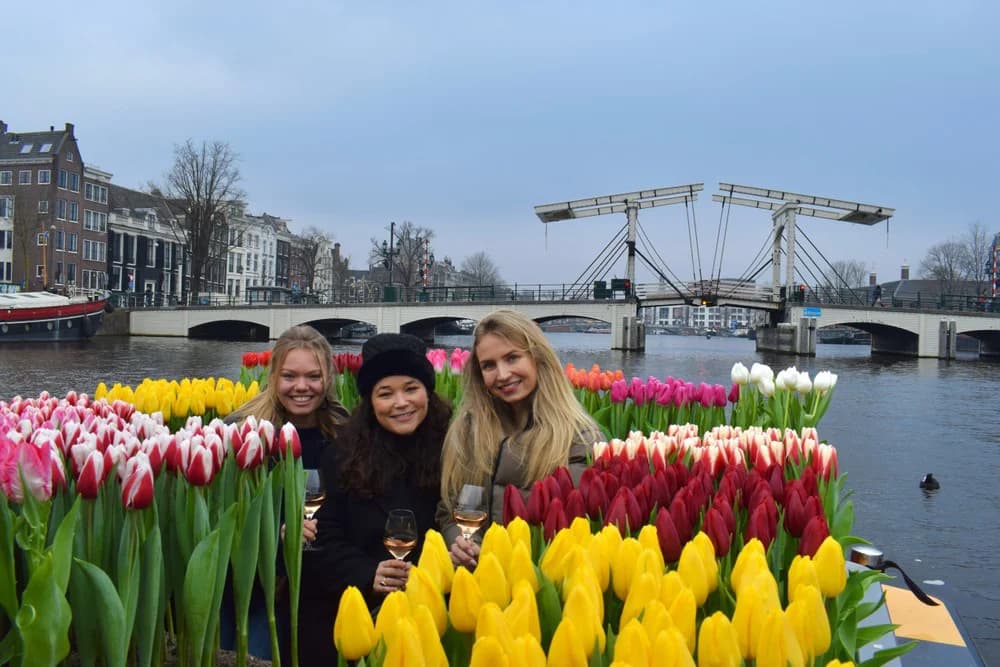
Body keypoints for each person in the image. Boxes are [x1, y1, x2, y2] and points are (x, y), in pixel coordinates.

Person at [310, 333, 451, 663]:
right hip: (362, 607)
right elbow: (321, 536)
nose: (401, 403)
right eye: (385, 394)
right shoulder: (341, 455)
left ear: (427, 392)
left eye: (411, 389)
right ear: (370, 401)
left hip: (434, 606)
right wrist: (367, 572)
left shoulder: (453, 448)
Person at [439, 309, 604, 568]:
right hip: (475, 578)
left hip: (537, 579)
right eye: (489, 366)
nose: (503, 375)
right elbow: (450, 510)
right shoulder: (467, 431)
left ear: (538, 359)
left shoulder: (577, 437)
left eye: (512, 358)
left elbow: (575, 522)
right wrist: (460, 543)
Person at [224, 324, 349, 661]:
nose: (301, 387)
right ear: (273, 376)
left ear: (328, 378)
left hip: (324, 583)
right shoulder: (241, 432)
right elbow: (224, 513)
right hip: (259, 586)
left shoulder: (346, 434)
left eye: (313, 376)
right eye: (290, 376)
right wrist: (275, 531)